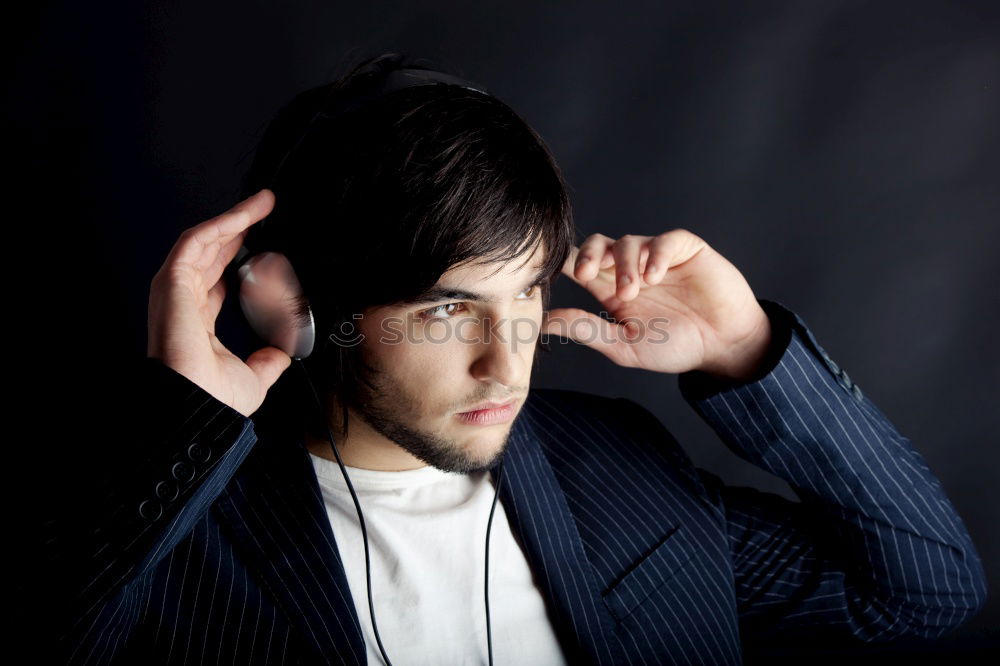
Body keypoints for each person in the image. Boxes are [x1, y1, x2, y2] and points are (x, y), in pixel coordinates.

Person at [50, 52, 986, 665]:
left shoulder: (621, 466)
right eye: (451, 307)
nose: (510, 365)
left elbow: (926, 593)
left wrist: (746, 355)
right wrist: (182, 427)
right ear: (296, 299)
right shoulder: (172, 530)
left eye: (527, 293)